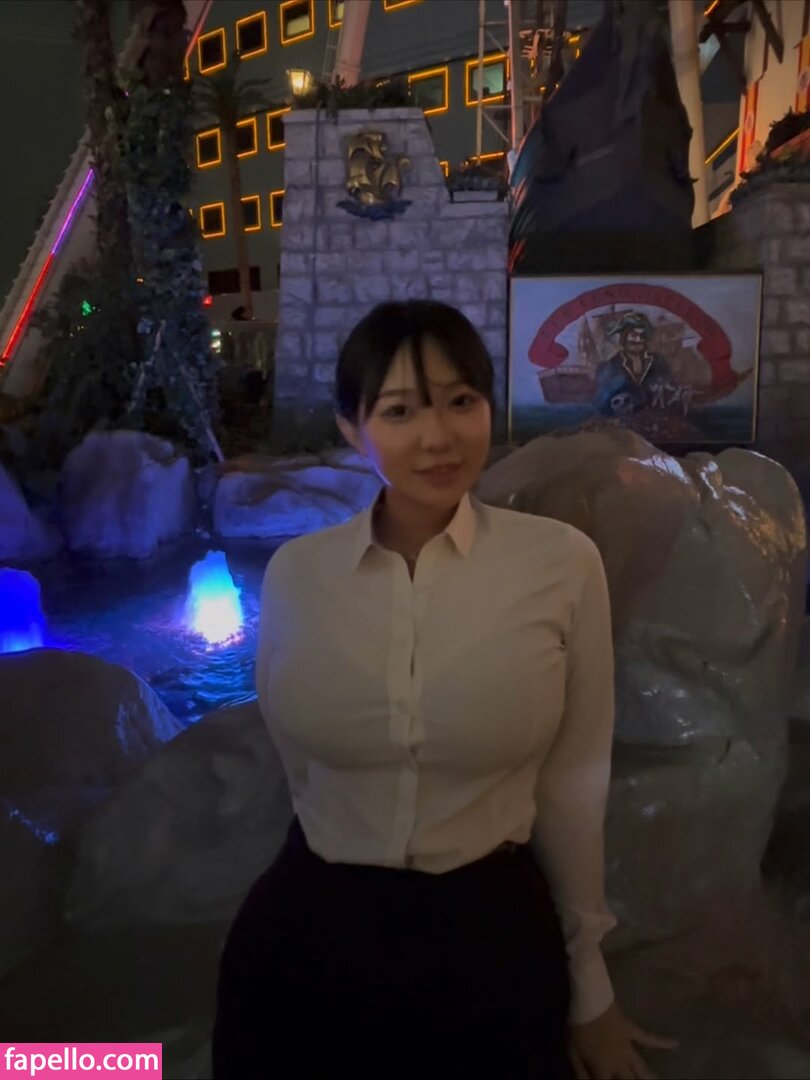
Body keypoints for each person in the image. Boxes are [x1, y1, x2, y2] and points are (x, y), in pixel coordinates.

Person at [212, 301, 678, 1079]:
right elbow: (298, 767)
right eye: (399, 411)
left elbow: (572, 779)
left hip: (489, 933)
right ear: (352, 429)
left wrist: (589, 985)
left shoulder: (561, 564)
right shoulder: (298, 574)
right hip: (309, 935)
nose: (438, 437)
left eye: (461, 401)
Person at [593, 311, 674, 418]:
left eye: (642, 336)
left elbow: (670, 386)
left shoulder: (658, 361)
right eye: (634, 335)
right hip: (621, 421)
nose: (638, 340)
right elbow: (602, 402)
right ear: (624, 338)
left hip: (657, 418)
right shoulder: (611, 365)